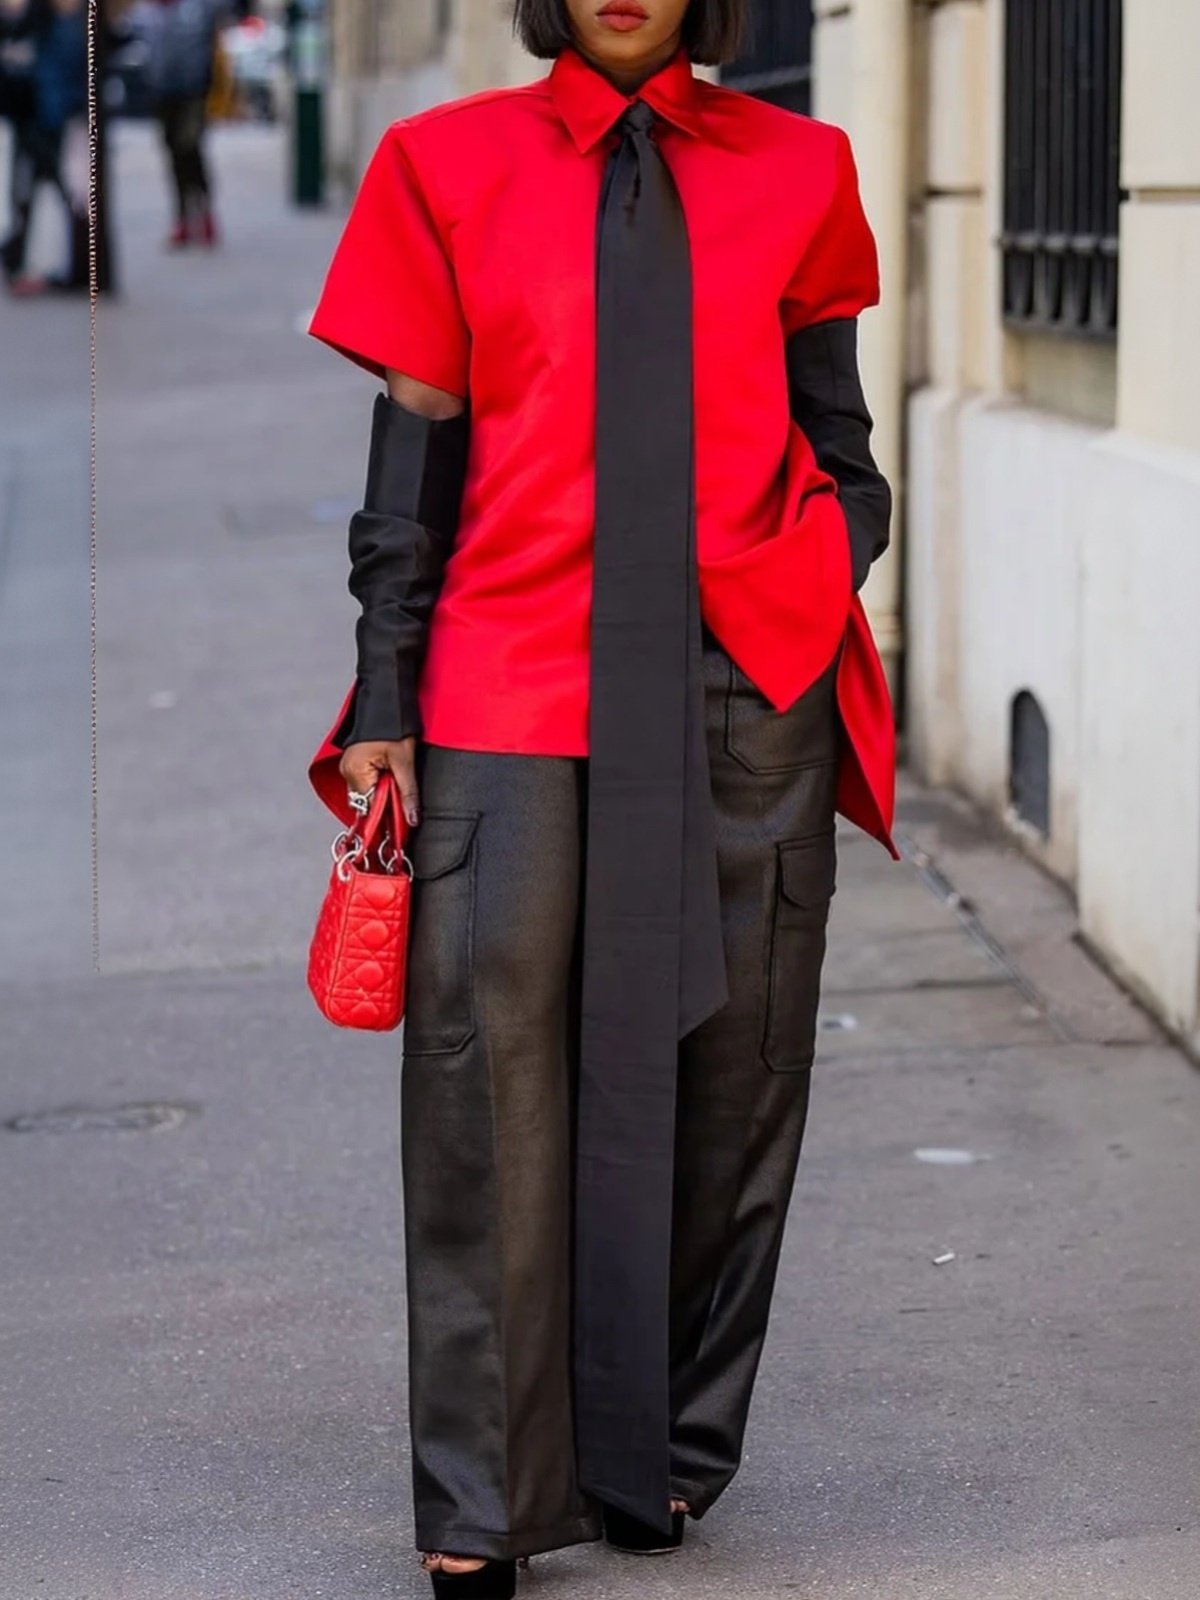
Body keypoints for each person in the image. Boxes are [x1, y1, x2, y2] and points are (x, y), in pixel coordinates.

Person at [305, 1, 896, 1594]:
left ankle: (666, 1456)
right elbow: (408, 468)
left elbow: (844, 444)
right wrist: (385, 691)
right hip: (514, 681)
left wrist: (808, 575)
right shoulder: (442, 166)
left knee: (736, 1066)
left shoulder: (803, 164)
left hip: (733, 682)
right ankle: (483, 1502)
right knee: (484, 1084)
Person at [0, 0, 86, 294]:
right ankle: (23, 262)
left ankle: (44, 263)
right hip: (38, 118)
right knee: (29, 193)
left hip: (55, 118)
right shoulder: (41, 19)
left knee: (56, 194)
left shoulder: (66, 23)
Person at [143, 0, 228, 247]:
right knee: (173, 155)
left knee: (190, 147)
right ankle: (181, 217)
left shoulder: (199, 6)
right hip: (162, 94)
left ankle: (204, 210)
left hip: (193, 92)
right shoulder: (149, 12)